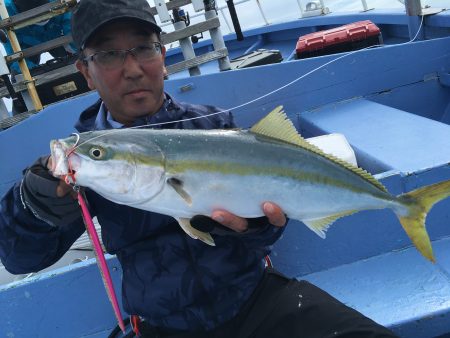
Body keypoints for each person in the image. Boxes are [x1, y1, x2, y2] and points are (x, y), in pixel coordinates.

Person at [0, 1, 398, 337]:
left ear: (163, 58)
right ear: (85, 72)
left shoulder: (211, 126)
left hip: (255, 300)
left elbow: (267, 223)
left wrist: (257, 227)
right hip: (161, 324)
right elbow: (20, 260)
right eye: (108, 54)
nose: (133, 68)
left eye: (144, 48)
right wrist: (34, 207)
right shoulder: (87, 158)